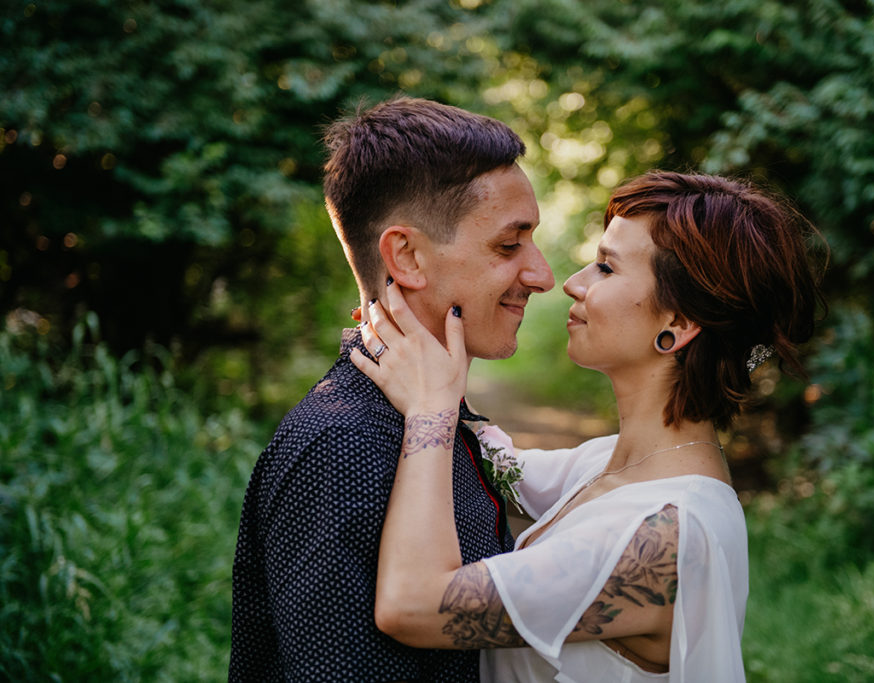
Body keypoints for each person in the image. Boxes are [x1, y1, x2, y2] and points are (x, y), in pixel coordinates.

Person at [353, 171, 825, 682]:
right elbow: (489, 458)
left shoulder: (667, 535)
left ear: (679, 324)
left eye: (605, 267)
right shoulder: (606, 463)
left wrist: (431, 411)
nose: (573, 282)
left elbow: (413, 605)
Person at [229, 96, 555, 681]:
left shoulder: (429, 417)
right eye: (509, 245)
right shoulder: (344, 446)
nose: (542, 274)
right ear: (406, 256)